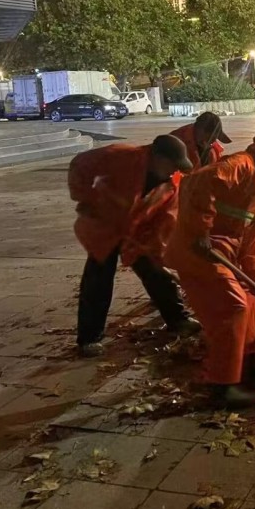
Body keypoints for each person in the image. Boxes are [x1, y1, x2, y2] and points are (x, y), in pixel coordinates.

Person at [164, 125, 255, 408]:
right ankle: (223, 387)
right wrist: (200, 231)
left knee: (249, 299)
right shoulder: (241, 166)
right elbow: (195, 183)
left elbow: (252, 237)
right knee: (232, 307)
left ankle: (244, 365)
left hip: (222, 253)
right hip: (200, 251)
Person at [70, 135, 195, 357]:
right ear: (157, 157)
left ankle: (177, 319)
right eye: (171, 165)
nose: (173, 171)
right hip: (105, 227)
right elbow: (80, 164)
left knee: (156, 273)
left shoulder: (170, 186)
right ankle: (89, 338)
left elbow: (165, 221)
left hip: (137, 232)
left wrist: (157, 249)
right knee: (98, 279)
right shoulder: (122, 156)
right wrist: (86, 197)